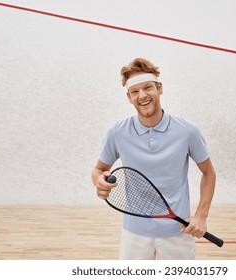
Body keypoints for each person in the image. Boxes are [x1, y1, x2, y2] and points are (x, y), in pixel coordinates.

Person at [91, 58, 216, 260]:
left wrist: (201, 216)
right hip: (134, 233)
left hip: (179, 231)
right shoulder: (117, 132)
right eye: (135, 91)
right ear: (129, 97)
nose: (142, 96)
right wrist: (99, 181)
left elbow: (208, 173)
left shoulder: (188, 131)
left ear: (159, 88)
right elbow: (99, 169)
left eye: (148, 87)